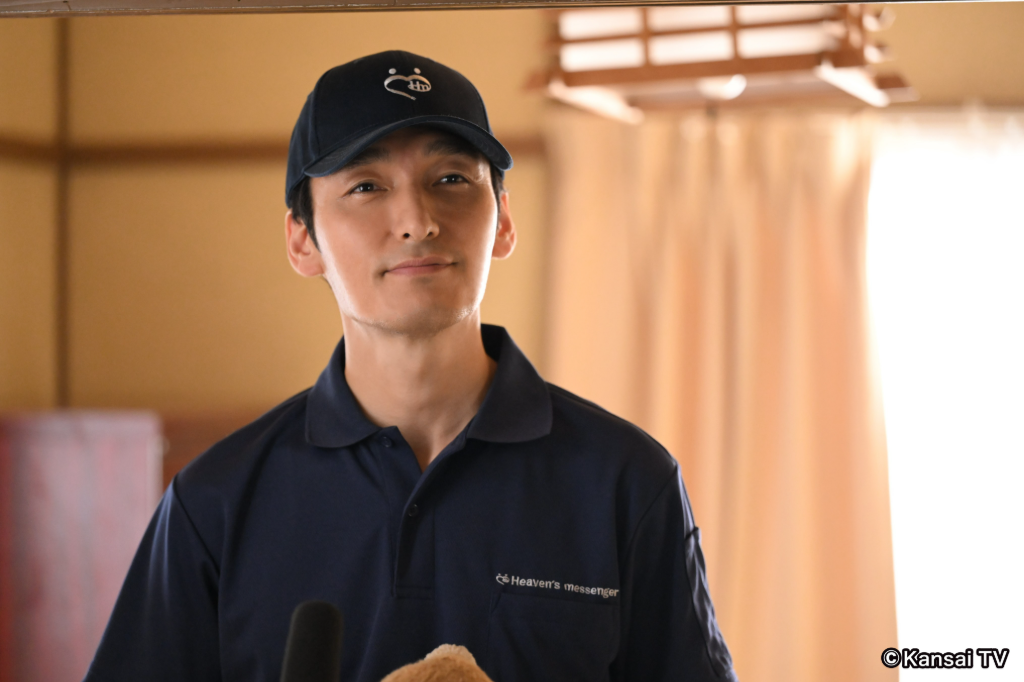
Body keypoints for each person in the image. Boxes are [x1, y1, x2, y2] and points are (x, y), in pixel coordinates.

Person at [83, 50, 738, 682]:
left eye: (451, 179)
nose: (418, 221)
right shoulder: (216, 502)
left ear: (504, 221)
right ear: (303, 240)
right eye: (366, 187)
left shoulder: (627, 482)